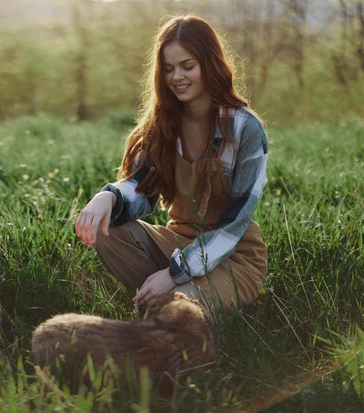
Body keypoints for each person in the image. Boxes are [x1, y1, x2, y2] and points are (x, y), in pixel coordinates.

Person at [74, 15, 268, 317]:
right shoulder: (162, 125)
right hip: (176, 243)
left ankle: (175, 300)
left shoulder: (246, 129)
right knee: (105, 230)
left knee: (171, 313)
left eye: (187, 66)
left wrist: (175, 273)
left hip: (232, 255)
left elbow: (235, 223)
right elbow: (141, 190)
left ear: (209, 64)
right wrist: (108, 196)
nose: (177, 76)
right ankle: (167, 295)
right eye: (168, 69)